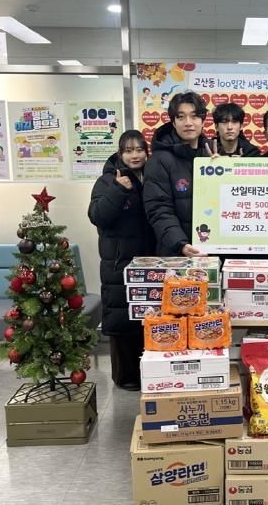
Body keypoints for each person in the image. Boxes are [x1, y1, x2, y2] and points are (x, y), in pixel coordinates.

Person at [88, 130, 155, 390]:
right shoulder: (108, 180)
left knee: (149, 319)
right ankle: (126, 377)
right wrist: (118, 189)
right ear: (120, 153)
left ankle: (152, 375)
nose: (134, 155)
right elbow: (97, 216)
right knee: (123, 320)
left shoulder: (152, 176)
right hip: (120, 264)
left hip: (151, 261)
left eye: (139, 150)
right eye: (128, 151)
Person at [143, 91, 211, 256]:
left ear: (203, 121)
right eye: (181, 117)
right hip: (175, 253)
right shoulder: (159, 160)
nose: (188, 123)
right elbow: (159, 209)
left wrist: (225, 170)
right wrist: (180, 244)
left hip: (211, 251)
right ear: (173, 122)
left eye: (194, 116)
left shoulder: (213, 156)